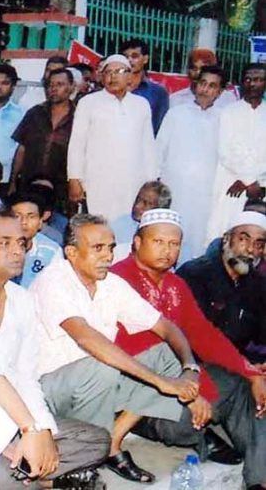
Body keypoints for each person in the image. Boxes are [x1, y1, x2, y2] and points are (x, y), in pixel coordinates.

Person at [0, 212, 110, 489]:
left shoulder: (22, 301)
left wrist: (42, 430)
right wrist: (24, 433)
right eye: (5, 243)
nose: (17, 250)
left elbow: (26, 376)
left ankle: (30, 469)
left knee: (97, 441)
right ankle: (33, 475)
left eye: (22, 243)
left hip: (15, 421)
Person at [31, 214, 201, 484]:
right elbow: (88, 340)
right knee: (104, 363)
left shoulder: (110, 284)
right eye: (97, 248)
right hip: (49, 392)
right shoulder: (53, 280)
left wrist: (190, 368)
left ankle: (110, 442)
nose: (108, 256)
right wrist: (160, 382)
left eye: (110, 247)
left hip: (97, 387)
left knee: (166, 355)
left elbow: (166, 327)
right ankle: (81, 460)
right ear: (72, 253)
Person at [112, 209, 266, 489]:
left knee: (247, 385)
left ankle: (260, 479)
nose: (167, 251)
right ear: (137, 242)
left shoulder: (175, 284)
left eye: (174, 244)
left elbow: (205, 336)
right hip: (138, 399)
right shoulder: (117, 280)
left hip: (178, 390)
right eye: (158, 242)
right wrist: (197, 389)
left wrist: (251, 372)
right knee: (228, 388)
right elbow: (137, 350)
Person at [67, 54, 157, 221]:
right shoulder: (88, 103)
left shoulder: (141, 104)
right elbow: (77, 143)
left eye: (119, 71)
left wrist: (151, 182)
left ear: (129, 76)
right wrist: (74, 178)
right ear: (101, 77)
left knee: (129, 226)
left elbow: (148, 146)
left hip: (132, 181)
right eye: (108, 72)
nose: (113, 76)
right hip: (97, 180)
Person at [157, 65, 225, 265]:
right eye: (203, 83)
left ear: (220, 92)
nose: (206, 89)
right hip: (175, 188)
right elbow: (159, 149)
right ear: (195, 85)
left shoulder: (224, 118)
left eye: (212, 86)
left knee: (199, 237)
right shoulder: (176, 113)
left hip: (206, 192)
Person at [178, 211, 266, 365]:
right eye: (243, 240)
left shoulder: (257, 283)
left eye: (258, 244)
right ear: (226, 238)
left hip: (238, 364)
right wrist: (244, 366)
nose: (251, 250)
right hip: (195, 363)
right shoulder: (195, 274)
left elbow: (261, 335)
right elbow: (195, 336)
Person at [206, 63, 266, 241]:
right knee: (223, 233)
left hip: (261, 187)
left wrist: (257, 183)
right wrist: (248, 181)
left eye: (259, 80)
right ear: (241, 83)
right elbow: (226, 151)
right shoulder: (228, 112)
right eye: (248, 79)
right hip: (231, 183)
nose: (253, 84)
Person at [10, 68, 75, 197]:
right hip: (29, 186)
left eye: (60, 84)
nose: (54, 89)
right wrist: (12, 181)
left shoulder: (79, 117)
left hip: (62, 190)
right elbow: (22, 148)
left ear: (72, 87)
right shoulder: (35, 113)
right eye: (50, 85)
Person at [7, 192, 62, 288]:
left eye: (31, 217)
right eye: (17, 216)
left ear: (40, 222)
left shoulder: (52, 250)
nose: (24, 222)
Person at [109, 180, 171, 265]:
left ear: (159, 210)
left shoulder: (168, 235)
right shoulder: (120, 223)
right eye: (138, 199)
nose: (137, 206)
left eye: (146, 203)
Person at [121, 38, 169, 135]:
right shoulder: (114, 87)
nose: (129, 60)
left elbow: (159, 128)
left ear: (145, 59)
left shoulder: (158, 93)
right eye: (126, 57)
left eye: (135, 56)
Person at [169, 49, 237, 109]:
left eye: (203, 69)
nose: (198, 73)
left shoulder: (228, 99)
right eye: (194, 68)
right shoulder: (176, 99)